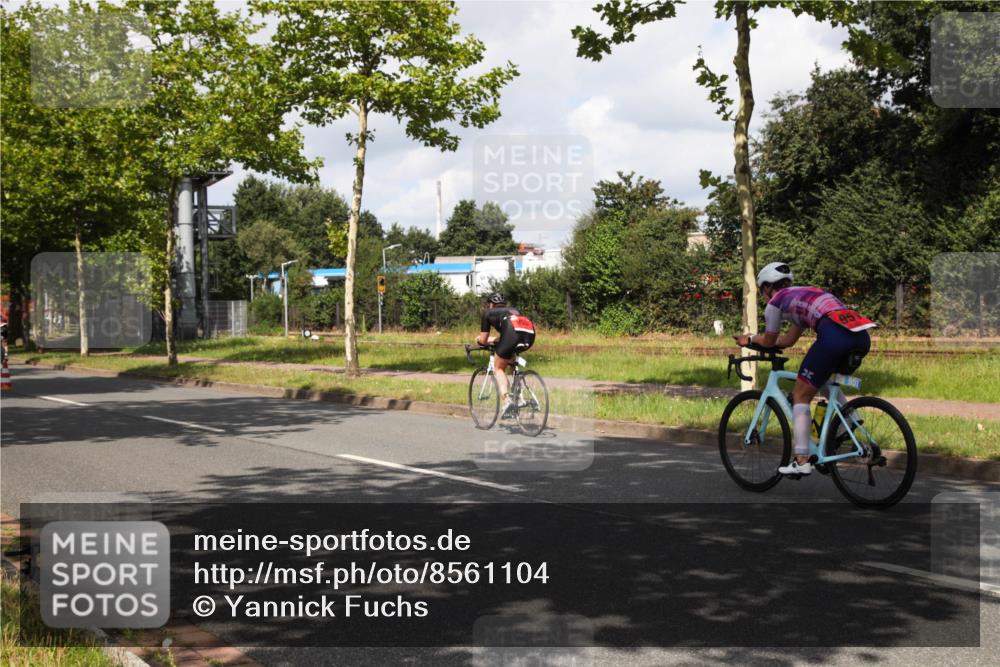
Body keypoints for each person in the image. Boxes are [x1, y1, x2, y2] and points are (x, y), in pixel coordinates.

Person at [734, 262, 876, 476]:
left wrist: (750, 339)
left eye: (763, 290)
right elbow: (789, 340)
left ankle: (801, 460)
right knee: (824, 379)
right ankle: (850, 420)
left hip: (834, 335)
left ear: (766, 287)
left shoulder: (775, 303)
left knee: (800, 394)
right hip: (860, 335)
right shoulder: (803, 295)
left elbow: (771, 340)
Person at [475, 292, 536, 417]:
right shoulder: (513, 310)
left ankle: (507, 400)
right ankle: (519, 396)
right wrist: (494, 339)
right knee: (510, 361)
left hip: (511, 333)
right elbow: (508, 334)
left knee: (498, 368)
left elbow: (483, 340)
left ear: (490, 305)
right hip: (529, 333)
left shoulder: (488, 313)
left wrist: (478, 340)